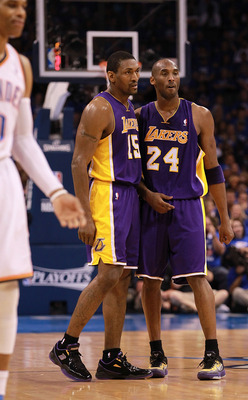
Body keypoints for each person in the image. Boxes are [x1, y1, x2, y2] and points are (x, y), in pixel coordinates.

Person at [0, 1, 86, 399]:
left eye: (22, 6)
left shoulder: (21, 65)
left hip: (4, 177)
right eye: (10, 5)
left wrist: (56, 191)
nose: (20, 12)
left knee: (8, 286)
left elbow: (21, 139)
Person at [49, 51, 152, 381]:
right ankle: (67, 345)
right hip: (107, 195)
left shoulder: (128, 108)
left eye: (137, 72)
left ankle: (111, 357)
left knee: (121, 280)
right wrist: (85, 215)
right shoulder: (99, 107)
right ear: (111, 75)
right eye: (127, 72)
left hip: (128, 196)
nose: (135, 77)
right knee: (108, 275)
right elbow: (79, 163)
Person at [136, 58, 234, 380]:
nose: (171, 78)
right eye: (164, 73)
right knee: (149, 281)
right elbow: (129, 170)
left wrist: (224, 218)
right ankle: (156, 353)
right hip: (150, 207)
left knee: (197, 278)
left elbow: (214, 169)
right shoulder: (139, 117)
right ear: (152, 80)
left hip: (188, 206)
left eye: (175, 73)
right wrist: (147, 194)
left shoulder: (200, 115)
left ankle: (213, 354)